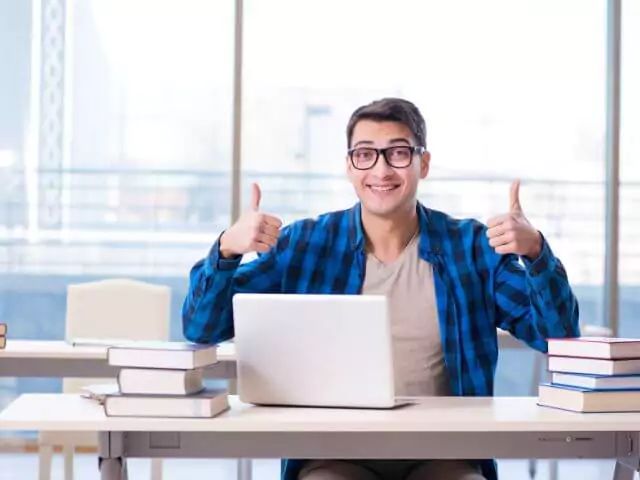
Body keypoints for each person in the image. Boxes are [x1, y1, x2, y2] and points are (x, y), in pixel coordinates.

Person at [182, 98, 580, 480]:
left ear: (423, 163)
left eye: (399, 153)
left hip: (445, 455)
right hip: (334, 455)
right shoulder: (304, 245)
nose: (382, 169)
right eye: (365, 154)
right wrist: (227, 249)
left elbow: (558, 338)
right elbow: (202, 327)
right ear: (350, 166)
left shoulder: (472, 248)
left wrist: (536, 251)